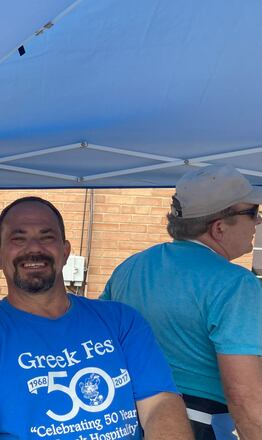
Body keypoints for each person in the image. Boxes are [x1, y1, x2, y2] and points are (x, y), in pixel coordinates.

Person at [0, 196, 192, 439]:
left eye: (46, 237)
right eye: (18, 239)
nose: (34, 249)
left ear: (65, 251)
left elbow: (160, 403)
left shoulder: (121, 321)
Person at [101, 165, 262, 439]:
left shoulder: (131, 266)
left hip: (129, 421)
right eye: (252, 213)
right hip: (196, 426)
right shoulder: (235, 283)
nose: (257, 222)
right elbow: (246, 399)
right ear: (219, 227)